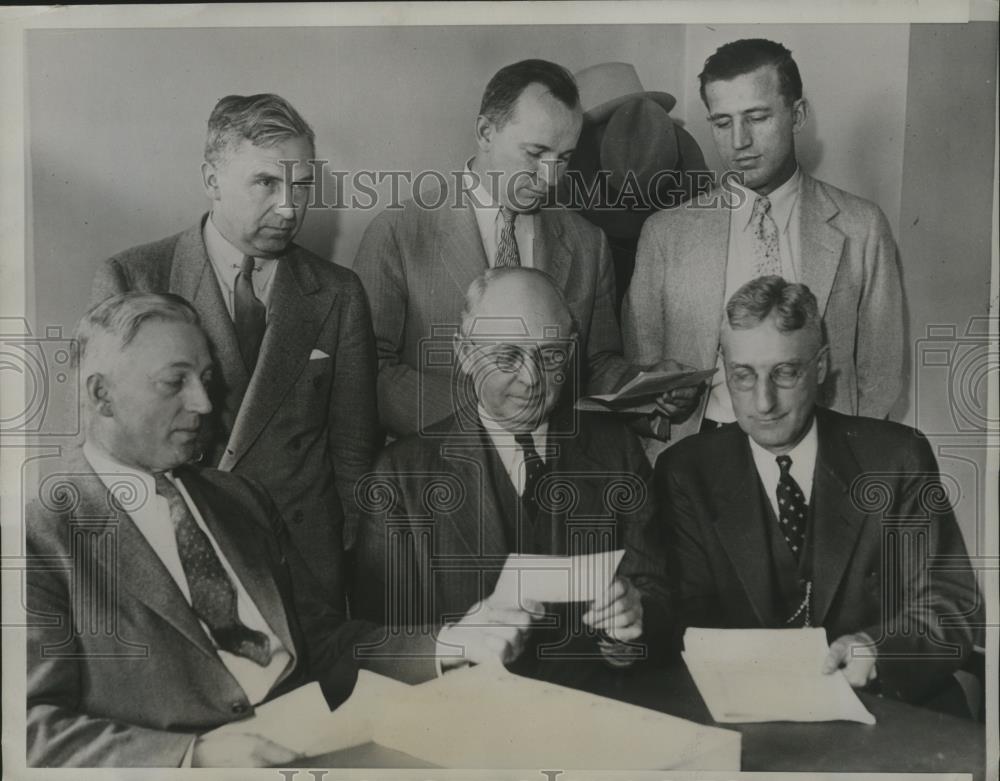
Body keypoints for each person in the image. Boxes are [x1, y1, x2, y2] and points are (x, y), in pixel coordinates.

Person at [25, 293, 513, 767]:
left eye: (207, 379)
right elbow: (31, 731)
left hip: (323, 742)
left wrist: (453, 642)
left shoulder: (238, 499)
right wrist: (194, 758)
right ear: (100, 395)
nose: (202, 404)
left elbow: (320, 641)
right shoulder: (40, 534)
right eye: (175, 383)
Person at [90, 94, 377, 606]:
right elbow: (107, 451)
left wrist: (348, 556)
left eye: (302, 185)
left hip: (304, 564)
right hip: (186, 554)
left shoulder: (338, 292)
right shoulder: (134, 279)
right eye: (266, 182)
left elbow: (354, 448)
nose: (290, 208)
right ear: (211, 181)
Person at [657, 276, 981, 709]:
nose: (764, 401)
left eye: (785, 372)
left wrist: (876, 651)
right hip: (748, 712)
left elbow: (951, 606)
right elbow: (687, 620)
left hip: (888, 708)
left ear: (822, 365)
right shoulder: (686, 472)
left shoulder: (896, 458)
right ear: (722, 369)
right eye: (743, 376)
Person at [352, 267, 671, 683]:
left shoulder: (616, 452)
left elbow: (661, 602)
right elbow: (374, 646)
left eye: (551, 354)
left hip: (594, 717)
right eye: (507, 356)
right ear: (465, 354)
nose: (533, 378)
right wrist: (452, 645)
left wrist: (633, 619)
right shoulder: (400, 477)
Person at [353, 59, 696, 440]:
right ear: (485, 132)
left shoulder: (588, 242)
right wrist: (486, 419)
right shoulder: (397, 232)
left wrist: (646, 386)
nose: (550, 177)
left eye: (563, 158)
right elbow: (369, 371)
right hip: (442, 466)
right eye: (536, 153)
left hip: (554, 470)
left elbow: (595, 363)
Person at [624, 38, 904, 457]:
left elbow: (880, 374)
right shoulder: (666, 234)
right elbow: (643, 374)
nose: (739, 141)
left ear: (798, 115)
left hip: (823, 453)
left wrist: (848, 465)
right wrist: (660, 396)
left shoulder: (861, 227)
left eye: (756, 117)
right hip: (700, 456)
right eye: (722, 122)